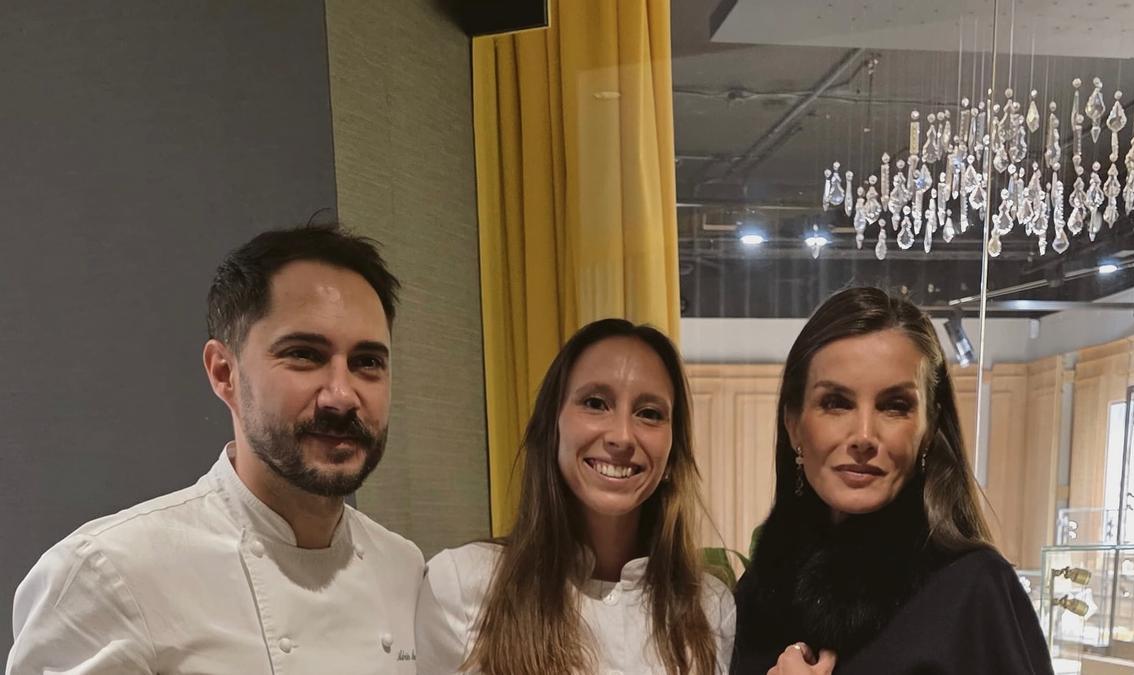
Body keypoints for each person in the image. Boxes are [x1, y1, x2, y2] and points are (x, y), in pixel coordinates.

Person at [7, 225, 424, 675]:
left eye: (367, 363)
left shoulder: (402, 566)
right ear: (224, 372)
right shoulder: (108, 575)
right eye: (304, 354)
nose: (341, 396)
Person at [731, 287, 1052, 675]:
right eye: (836, 402)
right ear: (794, 424)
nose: (864, 435)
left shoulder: (972, 589)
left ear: (929, 428)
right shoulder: (761, 588)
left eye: (894, 406)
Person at [416, 319, 735, 674]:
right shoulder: (462, 585)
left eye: (649, 413)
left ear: (674, 450)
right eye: (596, 403)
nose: (622, 436)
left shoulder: (709, 608)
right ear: (552, 426)